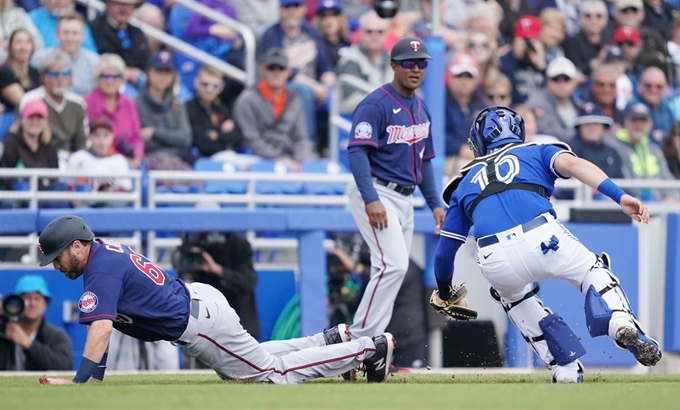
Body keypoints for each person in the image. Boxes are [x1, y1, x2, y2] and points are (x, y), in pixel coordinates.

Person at [430, 105, 662, 383]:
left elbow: (445, 252)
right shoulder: (537, 150)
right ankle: (619, 323)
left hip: (495, 257)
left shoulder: (463, 181)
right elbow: (575, 166)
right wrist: (620, 196)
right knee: (593, 271)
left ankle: (564, 367)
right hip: (543, 236)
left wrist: (444, 291)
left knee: (516, 299)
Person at [35, 215, 395, 385]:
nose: (55, 264)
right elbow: (107, 324)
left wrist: (81, 382)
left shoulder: (100, 268)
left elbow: (101, 328)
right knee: (257, 360)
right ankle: (328, 341)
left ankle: (369, 348)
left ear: (77, 246)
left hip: (197, 323)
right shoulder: (103, 253)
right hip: (198, 302)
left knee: (271, 375)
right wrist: (94, 378)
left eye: (57, 256)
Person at [345, 36, 445, 346]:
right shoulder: (376, 104)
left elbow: (425, 161)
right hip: (377, 191)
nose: (416, 68)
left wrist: (436, 205)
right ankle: (359, 341)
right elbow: (357, 152)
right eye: (408, 63)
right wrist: (371, 199)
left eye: (421, 63)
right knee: (393, 265)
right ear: (394, 66)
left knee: (391, 270)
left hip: (405, 197)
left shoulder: (421, 108)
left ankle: (366, 343)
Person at [232, 48, 312, 171]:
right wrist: (279, 159)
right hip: (257, 159)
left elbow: (301, 137)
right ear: (263, 69)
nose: (276, 73)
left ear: (288, 72)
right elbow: (251, 139)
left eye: (281, 68)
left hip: (290, 159)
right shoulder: (247, 99)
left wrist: (301, 162)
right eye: (271, 68)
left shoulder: (294, 99)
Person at [20, 49, 87, 155]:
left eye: (65, 73)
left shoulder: (78, 103)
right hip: (38, 158)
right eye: (54, 74)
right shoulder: (30, 100)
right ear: (44, 77)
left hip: (70, 160)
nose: (60, 78)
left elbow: (81, 143)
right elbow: (23, 138)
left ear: (71, 78)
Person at [0, 274, 73, 371]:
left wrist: (28, 343)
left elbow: (63, 366)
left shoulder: (56, 336)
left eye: (37, 299)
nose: (32, 304)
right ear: (17, 302)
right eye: (27, 298)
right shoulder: (2, 332)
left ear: (45, 304)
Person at [84, 54, 144, 168]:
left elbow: (136, 137)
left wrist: (136, 157)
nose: (110, 81)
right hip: (97, 159)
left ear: (122, 79)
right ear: (97, 78)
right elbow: (86, 137)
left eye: (116, 76)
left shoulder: (129, 103)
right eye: (105, 76)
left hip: (129, 159)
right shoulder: (87, 102)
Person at [613, 102, 679, 202]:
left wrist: (672, 197)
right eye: (634, 119)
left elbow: (667, 180)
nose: (638, 125)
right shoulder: (615, 147)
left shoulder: (655, 150)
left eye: (643, 120)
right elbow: (623, 181)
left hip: (659, 208)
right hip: (630, 207)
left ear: (650, 124)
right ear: (625, 121)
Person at [31, 13, 101, 97]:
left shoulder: (95, 62)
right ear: (56, 34)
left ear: (83, 36)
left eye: (75, 33)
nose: (70, 38)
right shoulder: (39, 59)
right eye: (65, 33)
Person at [186, 65, 244, 159]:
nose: (209, 90)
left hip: (227, 158)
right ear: (196, 82)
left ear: (221, 87)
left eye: (215, 86)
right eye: (205, 84)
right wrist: (223, 133)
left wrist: (217, 135)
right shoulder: (188, 108)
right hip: (202, 160)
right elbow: (202, 143)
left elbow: (238, 137)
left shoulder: (221, 108)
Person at [90, 0, 150, 89]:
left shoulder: (137, 32)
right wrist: (125, 72)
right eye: (120, 4)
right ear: (108, 4)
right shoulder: (94, 29)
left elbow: (147, 61)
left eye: (129, 5)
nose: (124, 8)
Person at [0, 100, 58, 192]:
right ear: (21, 119)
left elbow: (54, 179)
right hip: (17, 199)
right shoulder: (10, 143)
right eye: (31, 117)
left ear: (45, 121)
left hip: (45, 198)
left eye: (39, 117)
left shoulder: (49, 147)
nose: (35, 121)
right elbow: (6, 179)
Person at [0, 29, 40, 114]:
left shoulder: (35, 71)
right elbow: (23, 103)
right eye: (18, 42)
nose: (23, 47)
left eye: (27, 42)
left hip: (37, 116)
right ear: (11, 46)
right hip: (13, 119)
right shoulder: (5, 71)